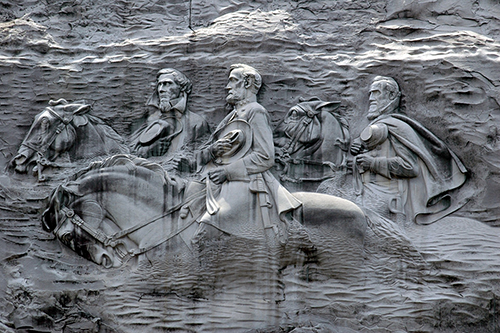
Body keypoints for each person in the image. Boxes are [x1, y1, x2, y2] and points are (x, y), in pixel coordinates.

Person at [177, 64, 302, 243]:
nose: (228, 86)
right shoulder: (231, 116)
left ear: (248, 83)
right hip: (216, 180)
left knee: (209, 228)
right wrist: (213, 150)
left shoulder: (255, 111)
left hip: (246, 182)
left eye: (233, 81)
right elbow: (211, 148)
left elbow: (265, 156)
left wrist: (227, 172)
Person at [350, 76, 468, 225]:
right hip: (365, 189)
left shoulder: (397, 127)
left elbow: (410, 167)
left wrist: (372, 163)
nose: (371, 99)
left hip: (385, 197)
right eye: (370, 94)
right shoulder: (379, 125)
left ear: (391, 96)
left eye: (376, 93)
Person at [129, 68, 210, 158]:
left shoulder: (197, 122)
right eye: (159, 85)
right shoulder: (150, 120)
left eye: (167, 84)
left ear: (182, 87)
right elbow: (129, 152)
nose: (161, 90)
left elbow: (205, 155)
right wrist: (150, 149)